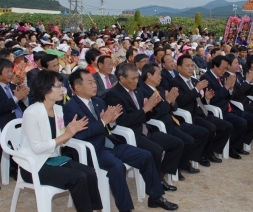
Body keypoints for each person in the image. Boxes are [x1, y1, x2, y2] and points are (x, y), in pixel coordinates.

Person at [64, 69, 178, 211]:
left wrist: (111, 122)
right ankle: (126, 208)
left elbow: (110, 125)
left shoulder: (98, 101)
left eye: (94, 82)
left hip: (111, 143)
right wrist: (102, 122)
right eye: (90, 82)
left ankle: (155, 197)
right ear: (78, 87)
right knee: (117, 166)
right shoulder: (70, 107)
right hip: (94, 150)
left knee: (146, 155)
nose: (95, 85)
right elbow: (77, 135)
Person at [15, 70, 102, 212]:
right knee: (78, 177)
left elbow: (62, 141)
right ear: (45, 89)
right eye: (58, 86)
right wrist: (66, 134)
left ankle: (95, 209)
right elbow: (37, 148)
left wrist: (69, 133)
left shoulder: (58, 110)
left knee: (90, 172)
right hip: (33, 165)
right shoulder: (32, 113)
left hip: (52, 158)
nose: (63, 89)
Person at [104, 63, 185, 190]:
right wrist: (145, 109)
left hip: (145, 129)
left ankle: (160, 175)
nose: (137, 81)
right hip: (131, 134)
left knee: (177, 143)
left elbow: (146, 114)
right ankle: (154, 184)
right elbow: (123, 120)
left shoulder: (137, 90)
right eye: (133, 78)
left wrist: (151, 108)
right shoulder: (113, 95)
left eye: (137, 77)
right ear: (122, 78)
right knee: (156, 150)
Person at [141, 62, 209, 180]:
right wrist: (168, 102)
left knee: (202, 133)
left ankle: (181, 164)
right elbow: (154, 114)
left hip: (173, 121)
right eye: (158, 74)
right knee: (186, 141)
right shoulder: (143, 91)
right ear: (149, 75)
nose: (161, 77)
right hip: (160, 126)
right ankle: (167, 171)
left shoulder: (160, 89)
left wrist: (172, 102)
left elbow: (175, 107)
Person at [169, 55, 233, 163]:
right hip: (189, 114)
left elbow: (200, 99)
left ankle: (211, 150)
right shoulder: (175, 82)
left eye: (192, 66)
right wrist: (196, 89)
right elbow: (181, 101)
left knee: (227, 126)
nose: (190, 68)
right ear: (179, 67)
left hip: (202, 111)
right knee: (211, 128)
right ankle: (202, 155)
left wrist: (206, 99)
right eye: (187, 66)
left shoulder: (194, 80)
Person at [200, 55, 253, 159]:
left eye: (225, 67)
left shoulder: (222, 76)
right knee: (241, 122)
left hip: (230, 107)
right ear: (215, 66)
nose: (225, 70)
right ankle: (231, 147)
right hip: (219, 111)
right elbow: (212, 99)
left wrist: (230, 89)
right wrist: (226, 87)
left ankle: (239, 143)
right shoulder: (206, 78)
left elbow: (231, 96)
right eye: (223, 68)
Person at [0, 58, 29, 180]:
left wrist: (24, 98)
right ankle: (15, 169)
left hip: (22, 121)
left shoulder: (13, 86)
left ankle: (27, 167)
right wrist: (16, 98)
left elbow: (25, 105)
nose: (11, 74)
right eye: (7, 71)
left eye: (12, 71)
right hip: (5, 123)